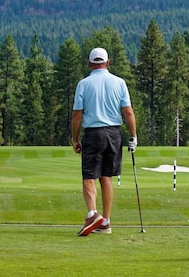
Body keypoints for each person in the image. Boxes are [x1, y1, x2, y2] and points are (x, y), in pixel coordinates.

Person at [72, 47, 137, 236]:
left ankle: (93, 214)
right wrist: (133, 136)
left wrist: (75, 139)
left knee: (89, 176)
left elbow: (77, 115)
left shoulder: (83, 84)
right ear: (107, 63)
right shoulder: (119, 82)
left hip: (94, 133)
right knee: (106, 176)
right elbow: (128, 112)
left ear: (90, 64)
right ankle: (106, 222)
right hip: (115, 133)